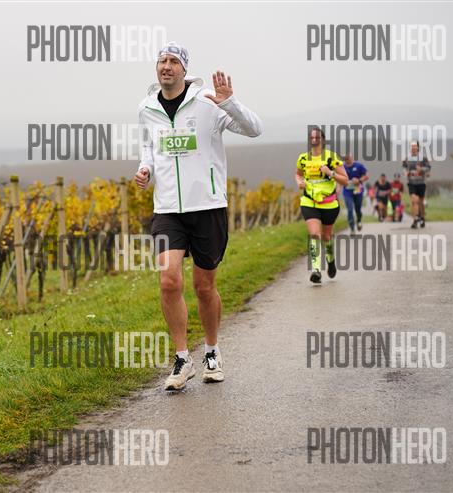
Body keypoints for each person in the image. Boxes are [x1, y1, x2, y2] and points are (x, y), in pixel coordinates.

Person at [134, 42, 263, 391]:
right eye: (162, 61)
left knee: (204, 287)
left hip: (207, 207)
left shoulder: (208, 102)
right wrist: (145, 169)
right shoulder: (146, 107)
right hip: (167, 209)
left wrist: (229, 103)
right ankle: (181, 358)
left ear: (184, 69)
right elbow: (149, 148)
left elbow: (255, 129)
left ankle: (212, 351)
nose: (166, 66)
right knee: (168, 280)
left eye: (173, 61)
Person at [295, 127, 348, 284]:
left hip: (329, 203)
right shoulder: (303, 158)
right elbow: (298, 174)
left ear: (323, 140)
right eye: (311, 137)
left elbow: (345, 180)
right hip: (309, 201)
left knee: (326, 236)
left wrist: (330, 173)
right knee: (315, 234)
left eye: (317, 137)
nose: (314, 140)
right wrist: (299, 182)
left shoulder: (331, 157)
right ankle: (316, 269)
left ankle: (330, 260)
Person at [402, 140, 431, 228]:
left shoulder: (423, 158)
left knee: (421, 202)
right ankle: (415, 220)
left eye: (415, 146)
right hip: (411, 182)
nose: (413, 148)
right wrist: (405, 173)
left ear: (418, 147)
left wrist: (421, 169)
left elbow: (428, 167)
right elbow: (404, 167)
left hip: (421, 182)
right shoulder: (407, 158)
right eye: (412, 146)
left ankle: (422, 217)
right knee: (414, 200)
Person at [341, 154, 368, 234]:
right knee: (350, 209)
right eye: (345, 158)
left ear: (351, 157)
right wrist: (339, 187)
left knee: (358, 208)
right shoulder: (342, 167)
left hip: (358, 190)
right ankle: (352, 228)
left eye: (348, 158)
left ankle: (359, 220)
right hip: (347, 191)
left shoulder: (359, 166)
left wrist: (359, 180)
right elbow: (339, 178)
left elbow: (366, 176)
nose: (347, 159)